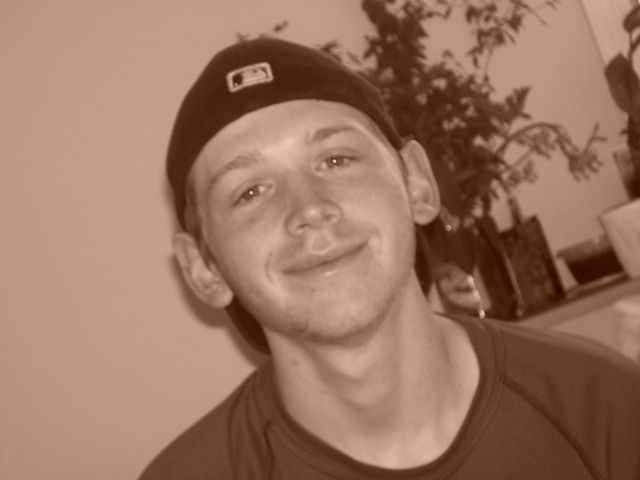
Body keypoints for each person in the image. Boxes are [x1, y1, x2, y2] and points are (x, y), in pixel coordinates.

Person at [140, 37, 640, 479]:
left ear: (417, 183)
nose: (309, 209)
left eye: (336, 159)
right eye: (249, 192)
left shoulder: (605, 408)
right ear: (203, 268)